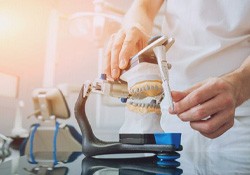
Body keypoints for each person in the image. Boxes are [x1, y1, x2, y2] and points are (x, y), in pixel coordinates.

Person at [104, 0, 250, 150]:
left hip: (240, 124)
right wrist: (134, 26)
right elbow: (144, 5)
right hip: (171, 118)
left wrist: (238, 85)